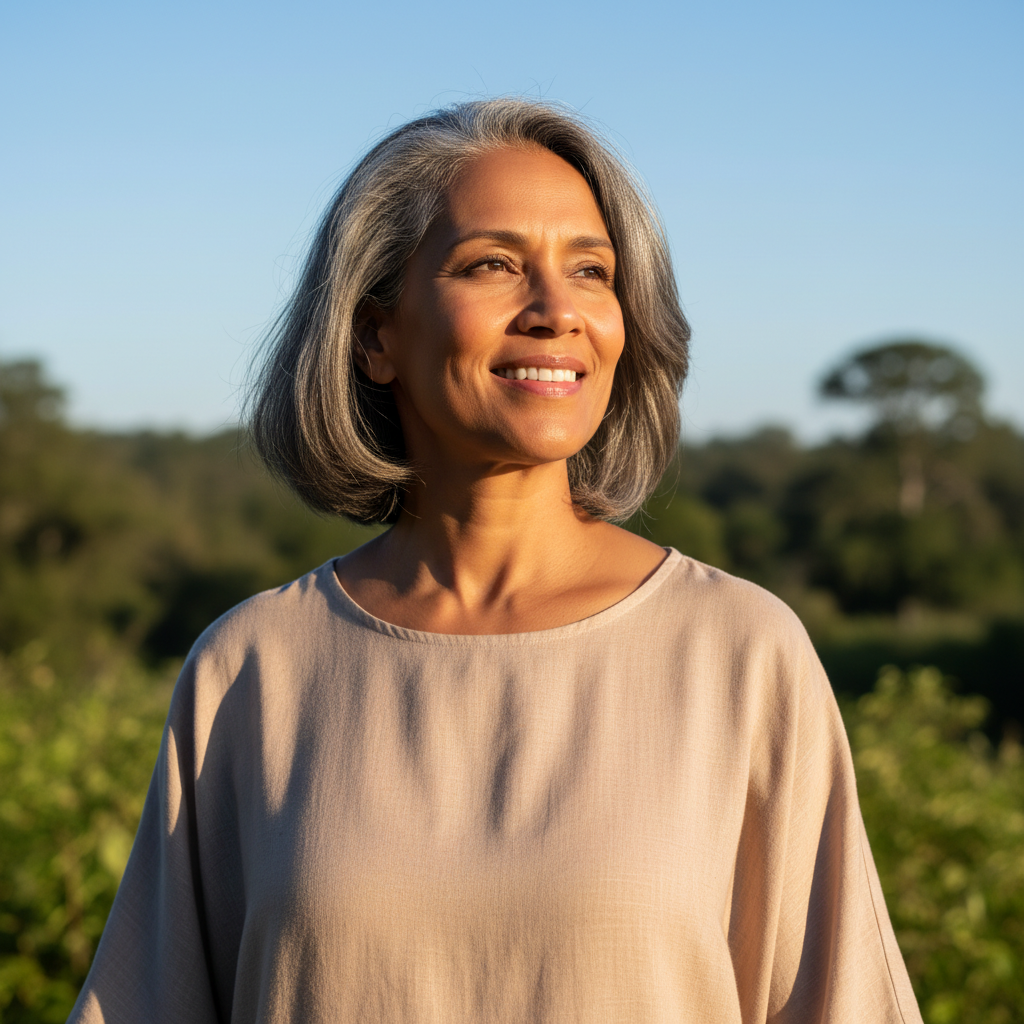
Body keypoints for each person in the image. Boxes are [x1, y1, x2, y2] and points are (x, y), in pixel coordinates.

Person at [69, 98, 922, 1023]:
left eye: (591, 272)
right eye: (494, 265)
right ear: (374, 335)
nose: (557, 311)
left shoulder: (742, 653)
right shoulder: (252, 670)